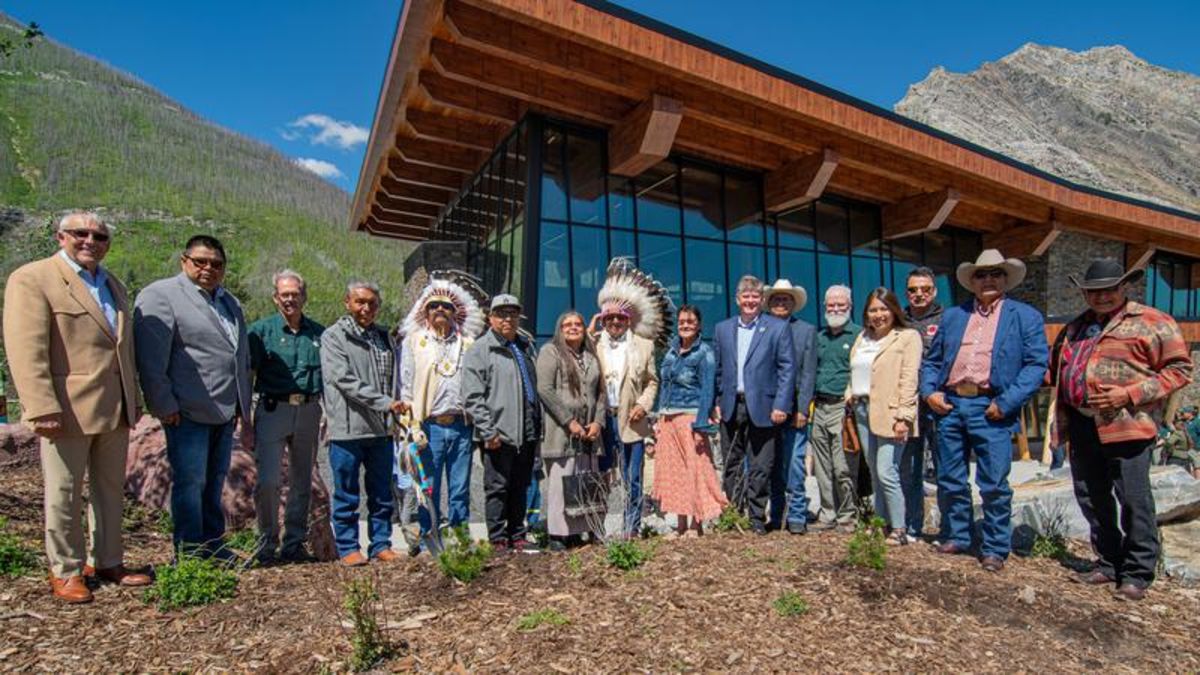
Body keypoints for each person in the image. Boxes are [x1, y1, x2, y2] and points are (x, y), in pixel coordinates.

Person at [3, 212, 151, 603]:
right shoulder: (34, 278)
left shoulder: (112, 284)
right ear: (61, 236)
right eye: (80, 233)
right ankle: (65, 570)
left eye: (99, 235)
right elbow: (25, 347)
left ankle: (107, 560)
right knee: (64, 492)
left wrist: (132, 402)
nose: (90, 240)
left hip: (113, 408)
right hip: (65, 408)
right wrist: (40, 406)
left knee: (108, 490)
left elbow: (124, 349)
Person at [1050, 258, 1192, 600]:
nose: (1101, 297)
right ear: (1085, 293)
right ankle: (1108, 561)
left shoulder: (1153, 322)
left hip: (1128, 424)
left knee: (1133, 498)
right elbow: (1057, 369)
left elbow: (1180, 369)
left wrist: (1129, 393)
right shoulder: (1076, 327)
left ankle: (1138, 571)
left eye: (1108, 290)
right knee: (1091, 495)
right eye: (1093, 292)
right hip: (1083, 422)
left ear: (1124, 287)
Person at [920, 249, 1048, 572]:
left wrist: (1006, 403)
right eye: (981, 274)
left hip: (991, 405)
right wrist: (929, 392)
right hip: (950, 404)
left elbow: (1036, 365)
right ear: (972, 281)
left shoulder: (1025, 317)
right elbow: (933, 361)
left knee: (993, 483)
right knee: (950, 478)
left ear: (1006, 279)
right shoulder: (953, 316)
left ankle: (994, 547)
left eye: (995, 274)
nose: (988, 280)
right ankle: (957, 535)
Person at [135, 234, 252, 561]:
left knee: (214, 482)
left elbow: (238, 358)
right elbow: (150, 358)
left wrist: (243, 408)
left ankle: (212, 545)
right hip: (186, 411)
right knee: (190, 483)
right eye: (200, 261)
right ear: (184, 261)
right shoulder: (161, 296)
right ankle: (189, 553)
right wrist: (164, 405)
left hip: (225, 410)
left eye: (216, 264)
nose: (208, 268)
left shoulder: (229, 303)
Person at [397, 272, 488, 542]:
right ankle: (430, 536)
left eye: (446, 306)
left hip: (461, 426)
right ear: (425, 312)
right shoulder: (414, 342)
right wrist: (410, 427)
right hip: (429, 426)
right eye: (434, 306)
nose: (440, 310)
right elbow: (406, 385)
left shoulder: (469, 344)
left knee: (460, 488)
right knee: (429, 487)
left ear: (454, 312)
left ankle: (460, 537)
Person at [320, 281, 403, 566]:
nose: (366, 308)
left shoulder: (384, 337)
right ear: (347, 302)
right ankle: (348, 547)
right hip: (347, 429)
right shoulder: (334, 337)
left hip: (381, 429)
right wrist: (385, 403)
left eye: (372, 303)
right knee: (346, 493)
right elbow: (343, 380)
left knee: (381, 493)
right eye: (360, 302)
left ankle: (380, 543)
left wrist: (393, 411)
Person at [247, 270, 324, 565]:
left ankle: (294, 544)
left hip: (308, 410)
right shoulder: (260, 331)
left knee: (303, 480)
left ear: (304, 296)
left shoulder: (318, 333)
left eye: (295, 293)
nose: (290, 299)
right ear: (275, 297)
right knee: (268, 481)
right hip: (272, 410)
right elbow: (248, 375)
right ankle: (266, 544)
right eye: (284, 294)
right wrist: (244, 420)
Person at [713, 275, 795, 535]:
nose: (750, 301)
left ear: (762, 300)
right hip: (730, 405)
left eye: (755, 296)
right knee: (731, 464)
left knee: (761, 466)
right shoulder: (722, 329)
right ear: (738, 299)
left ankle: (757, 517)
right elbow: (717, 369)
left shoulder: (777, 328)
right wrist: (715, 402)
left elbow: (787, 369)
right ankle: (734, 516)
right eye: (745, 296)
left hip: (765, 407)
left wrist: (782, 404)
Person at [592, 260, 666, 538]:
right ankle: (595, 528)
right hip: (601, 421)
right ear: (603, 320)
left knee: (633, 478)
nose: (614, 323)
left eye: (619, 318)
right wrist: (592, 328)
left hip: (632, 421)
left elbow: (652, 382)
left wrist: (643, 405)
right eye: (608, 318)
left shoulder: (643, 346)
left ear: (628, 320)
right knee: (600, 476)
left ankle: (632, 528)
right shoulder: (593, 342)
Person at [463, 295, 543, 552]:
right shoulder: (481, 350)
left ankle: (517, 534)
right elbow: (472, 396)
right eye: (501, 314)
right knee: (497, 486)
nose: (507, 319)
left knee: (521, 484)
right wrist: (488, 430)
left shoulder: (524, 347)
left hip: (527, 429)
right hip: (499, 431)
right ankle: (497, 537)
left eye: (512, 314)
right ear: (491, 318)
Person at [846, 288, 923, 545]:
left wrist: (905, 417)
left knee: (887, 471)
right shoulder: (863, 337)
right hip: (862, 410)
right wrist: (850, 393)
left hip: (891, 413)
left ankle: (899, 528)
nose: (878, 315)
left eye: (883, 309)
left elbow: (909, 379)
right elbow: (855, 370)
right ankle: (879, 523)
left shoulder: (907, 337)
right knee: (874, 471)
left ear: (893, 311)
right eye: (873, 310)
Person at [652, 305, 727, 537]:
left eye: (690, 322)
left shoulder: (704, 353)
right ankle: (681, 524)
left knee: (695, 470)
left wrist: (701, 424)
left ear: (699, 326)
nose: (685, 325)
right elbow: (664, 385)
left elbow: (707, 390)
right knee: (675, 474)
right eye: (682, 321)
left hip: (690, 416)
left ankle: (696, 524)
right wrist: (659, 417)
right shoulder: (670, 352)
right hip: (668, 418)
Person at [535, 310, 606, 550]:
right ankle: (558, 534)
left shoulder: (590, 355)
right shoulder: (550, 352)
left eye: (578, 324)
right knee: (561, 481)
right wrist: (569, 421)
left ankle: (578, 531)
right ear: (560, 328)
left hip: (588, 432)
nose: (573, 328)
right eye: (568, 324)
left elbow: (600, 392)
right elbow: (545, 389)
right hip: (561, 431)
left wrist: (597, 421)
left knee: (584, 480)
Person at [763, 279, 817, 534]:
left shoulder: (806, 331)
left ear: (793, 304)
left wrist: (804, 409)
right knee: (772, 463)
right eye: (776, 299)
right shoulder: (761, 328)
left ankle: (796, 516)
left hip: (795, 408)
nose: (780, 303)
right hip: (766, 409)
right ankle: (776, 515)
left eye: (785, 299)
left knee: (795, 463)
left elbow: (808, 373)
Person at [809, 285, 862, 532]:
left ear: (850, 307)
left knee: (843, 466)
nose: (836, 309)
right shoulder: (818, 337)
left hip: (844, 410)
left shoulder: (859, 336)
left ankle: (848, 515)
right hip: (819, 408)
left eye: (841, 305)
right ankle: (827, 513)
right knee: (821, 466)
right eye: (831, 305)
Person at [901, 266, 944, 537]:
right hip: (907, 404)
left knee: (945, 467)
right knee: (908, 467)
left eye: (925, 289)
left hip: (939, 404)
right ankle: (911, 525)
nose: (919, 294)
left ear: (934, 291)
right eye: (913, 290)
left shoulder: (948, 319)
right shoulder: (898, 320)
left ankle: (951, 529)